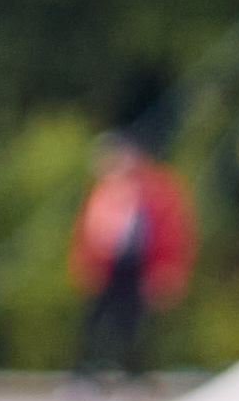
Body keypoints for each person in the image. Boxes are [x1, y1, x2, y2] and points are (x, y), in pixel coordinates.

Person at [67, 131, 195, 384]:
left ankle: (135, 374)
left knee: (136, 323)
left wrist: (167, 269)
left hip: (139, 267)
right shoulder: (103, 190)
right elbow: (88, 232)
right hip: (107, 267)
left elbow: (173, 232)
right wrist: (84, 265)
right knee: (94, 322)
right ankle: (85, 372)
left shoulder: (156, 189)